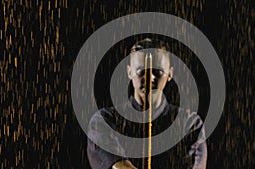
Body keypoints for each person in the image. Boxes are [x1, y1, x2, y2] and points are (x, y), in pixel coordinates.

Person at [87, 38, 207, 169]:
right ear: (129, 72)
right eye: (141, 71)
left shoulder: (189, 124)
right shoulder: (104, 121)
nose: (150, 78)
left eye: (158, 71)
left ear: (170, 74)